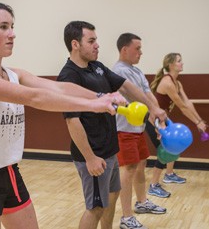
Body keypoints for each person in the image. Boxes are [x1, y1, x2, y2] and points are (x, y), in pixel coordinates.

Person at [0, 1, 126, 229]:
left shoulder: (14, 74)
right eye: (3, 27)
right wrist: (94, 105)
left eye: (12, 26)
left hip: (10, 172)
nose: (12, 34)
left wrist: (101, 96)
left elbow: (59, 88)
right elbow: (33, 98)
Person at [57, 22, 166, 229]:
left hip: (110, 150)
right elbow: (72, 120)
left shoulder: (96, 67)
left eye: (96, 40)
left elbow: (125, 85)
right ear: (75, 44)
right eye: (91, 41)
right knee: (95, 207)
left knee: (113, 196)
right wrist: (90, 158)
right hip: (94, 155)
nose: (97, 45)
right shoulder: (69, 76)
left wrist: (152, 107)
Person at [112, 33, 166, 229]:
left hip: (138, 129)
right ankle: (126, 217)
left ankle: (142, 202)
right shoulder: (119, 71)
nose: (141, 52)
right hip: (123, 130)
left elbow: (148, 95)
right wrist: (154, 112)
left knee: (141, 166)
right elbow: (138, 97)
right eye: (137, 48)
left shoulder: (136, 71)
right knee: (128, 169)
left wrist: (158, 119)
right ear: (124, 49)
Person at [146, 52, 207, 198]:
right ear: (171, 64)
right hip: (153, 121)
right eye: (179, 61)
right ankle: (153, 185)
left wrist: (200, 120)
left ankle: (169, 174)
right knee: (165, 152)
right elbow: (182, 107)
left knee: (173, 147)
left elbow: (188, 103)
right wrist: (197, 122)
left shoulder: (177, 83)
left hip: (164, 120)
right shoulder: (167, 82)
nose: (182, 63)